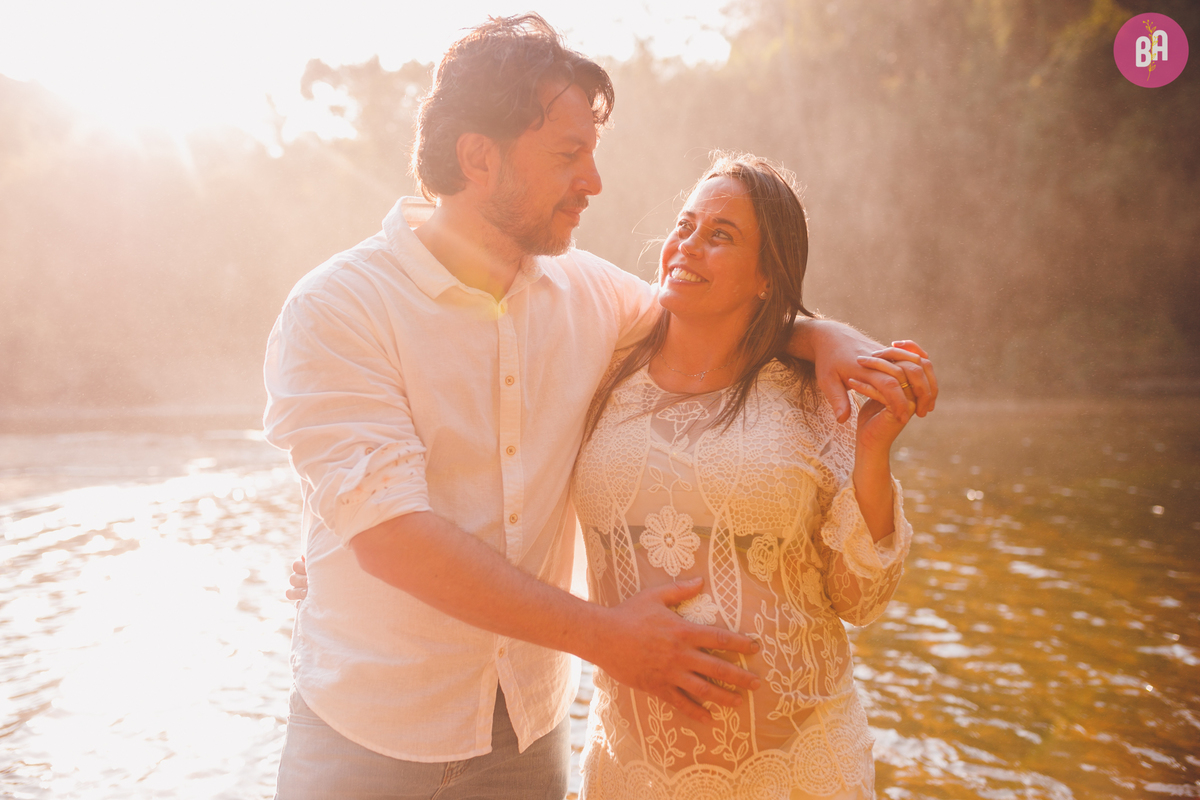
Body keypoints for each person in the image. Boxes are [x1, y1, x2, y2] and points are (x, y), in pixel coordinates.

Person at [266, 14, 936, 800]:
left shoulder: (593, 296)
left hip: (528, 739)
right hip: (368, 738)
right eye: (567, 155)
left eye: (592, 153)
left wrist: (831, 341)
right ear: (479, 158)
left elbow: (714, 310)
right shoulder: (338, 308)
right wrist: (608, 640)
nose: (593, 181)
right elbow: (392, 538)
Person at [573, 153, 920, 799]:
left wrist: (872, 453)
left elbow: (861, 600)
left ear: (767, 277)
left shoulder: (815, 397)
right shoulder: (601, 365)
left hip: (801, 771)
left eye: (721, 235)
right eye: (686, 225)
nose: (687, 245)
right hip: (634, 773)